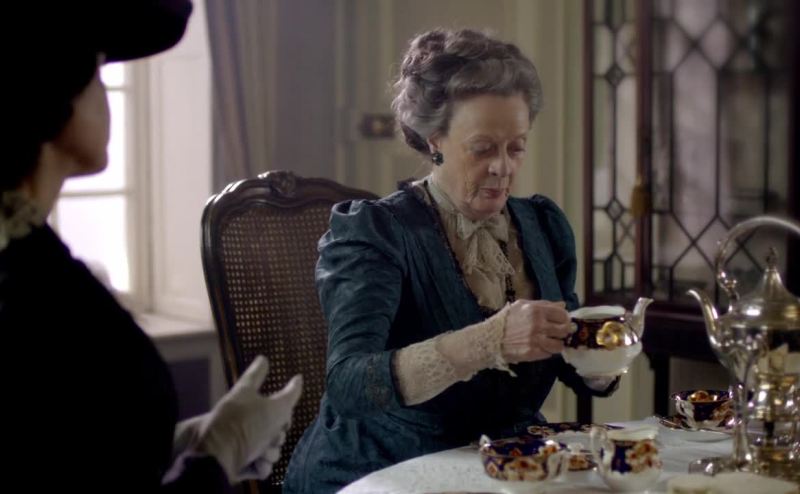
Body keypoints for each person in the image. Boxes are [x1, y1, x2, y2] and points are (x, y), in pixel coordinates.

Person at [283, 28, 621, 493]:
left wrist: (602, 354)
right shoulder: (377, 233)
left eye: (517, 147)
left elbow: (565, 356)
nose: (503, 167)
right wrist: (490, 339)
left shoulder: (543, 226)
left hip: (505, 466)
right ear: (434, 139)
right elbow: (350, 385)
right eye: (483, 149)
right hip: (382, 469)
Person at [0, 2, 301, 491]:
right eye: (98, 71)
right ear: (54, 89)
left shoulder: (28, 253)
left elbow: (55, 448)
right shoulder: (22, 282)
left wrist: (181, 450)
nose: (105, 95)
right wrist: (218, 453)